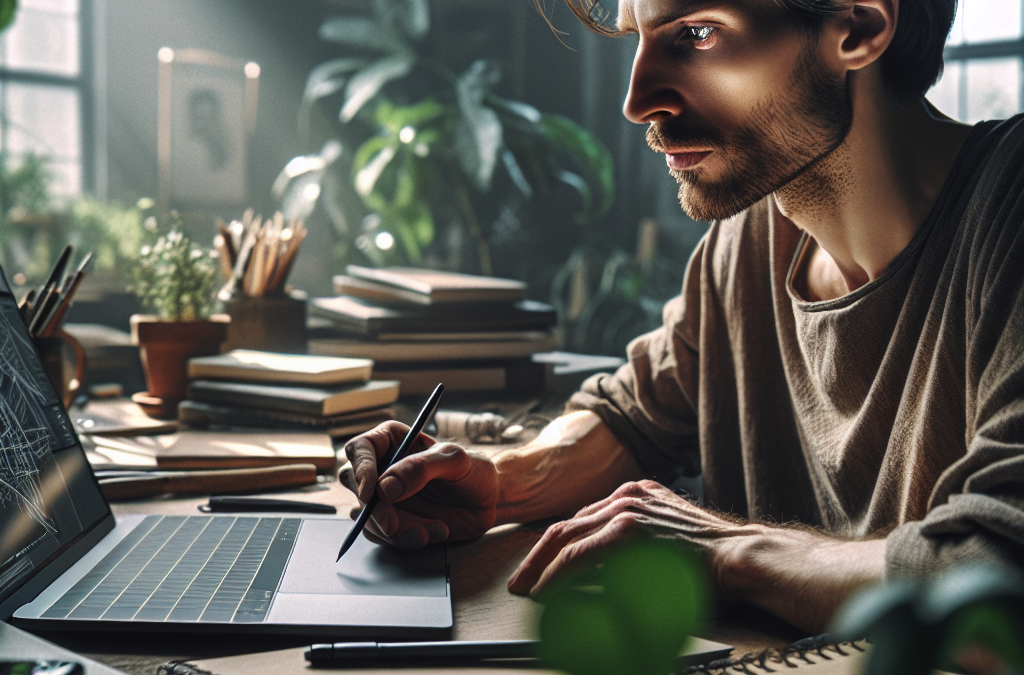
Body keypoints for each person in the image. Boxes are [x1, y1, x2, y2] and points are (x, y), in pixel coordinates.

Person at [341, 0, 1023, 632]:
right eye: (637, 39)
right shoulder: (749, 238)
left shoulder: (1008, 214)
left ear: (859, 26)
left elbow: (999, 571)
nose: (637, 102)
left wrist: (730, 552)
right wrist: (500, 484)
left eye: (697, 34)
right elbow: (635, 416)